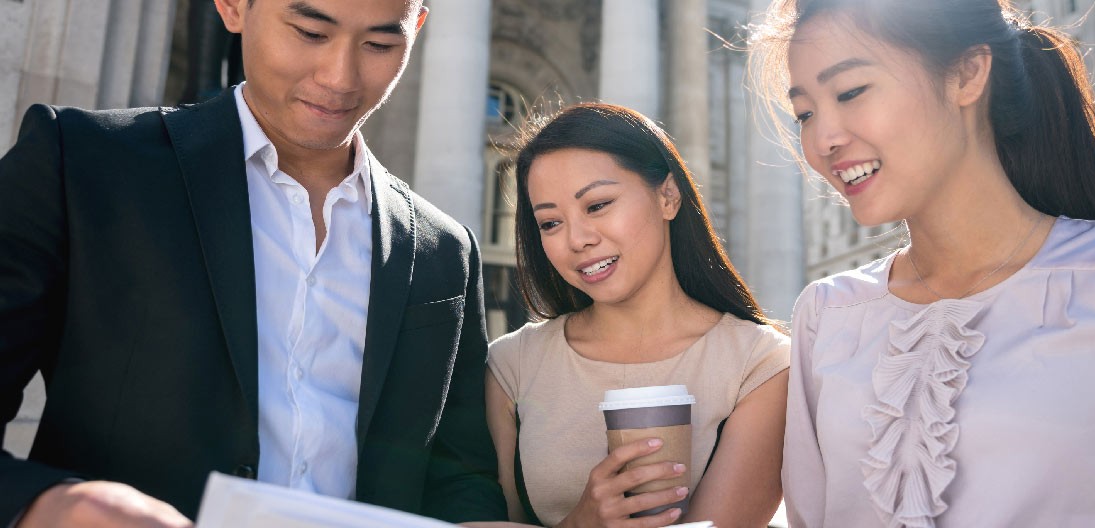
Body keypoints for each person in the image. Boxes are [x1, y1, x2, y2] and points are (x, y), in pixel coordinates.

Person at [748, 0, 1095, 526]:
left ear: (967, 73)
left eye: (851, 91)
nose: (822, 139)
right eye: (805, 113)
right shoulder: (828, 313)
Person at [0, 0, 506, 525]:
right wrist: (47, 503)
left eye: (380, 45)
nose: (340, 78)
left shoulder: (445, 251)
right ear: (234, 6)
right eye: (310, 32)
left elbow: (458, 475)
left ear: (416, 28)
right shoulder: (83, 163)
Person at [478, 103, 789, 527]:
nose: (578, 240)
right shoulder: (510, 366)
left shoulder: (761, 365)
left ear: (668, 196)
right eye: (550, 223)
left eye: (598, 205)